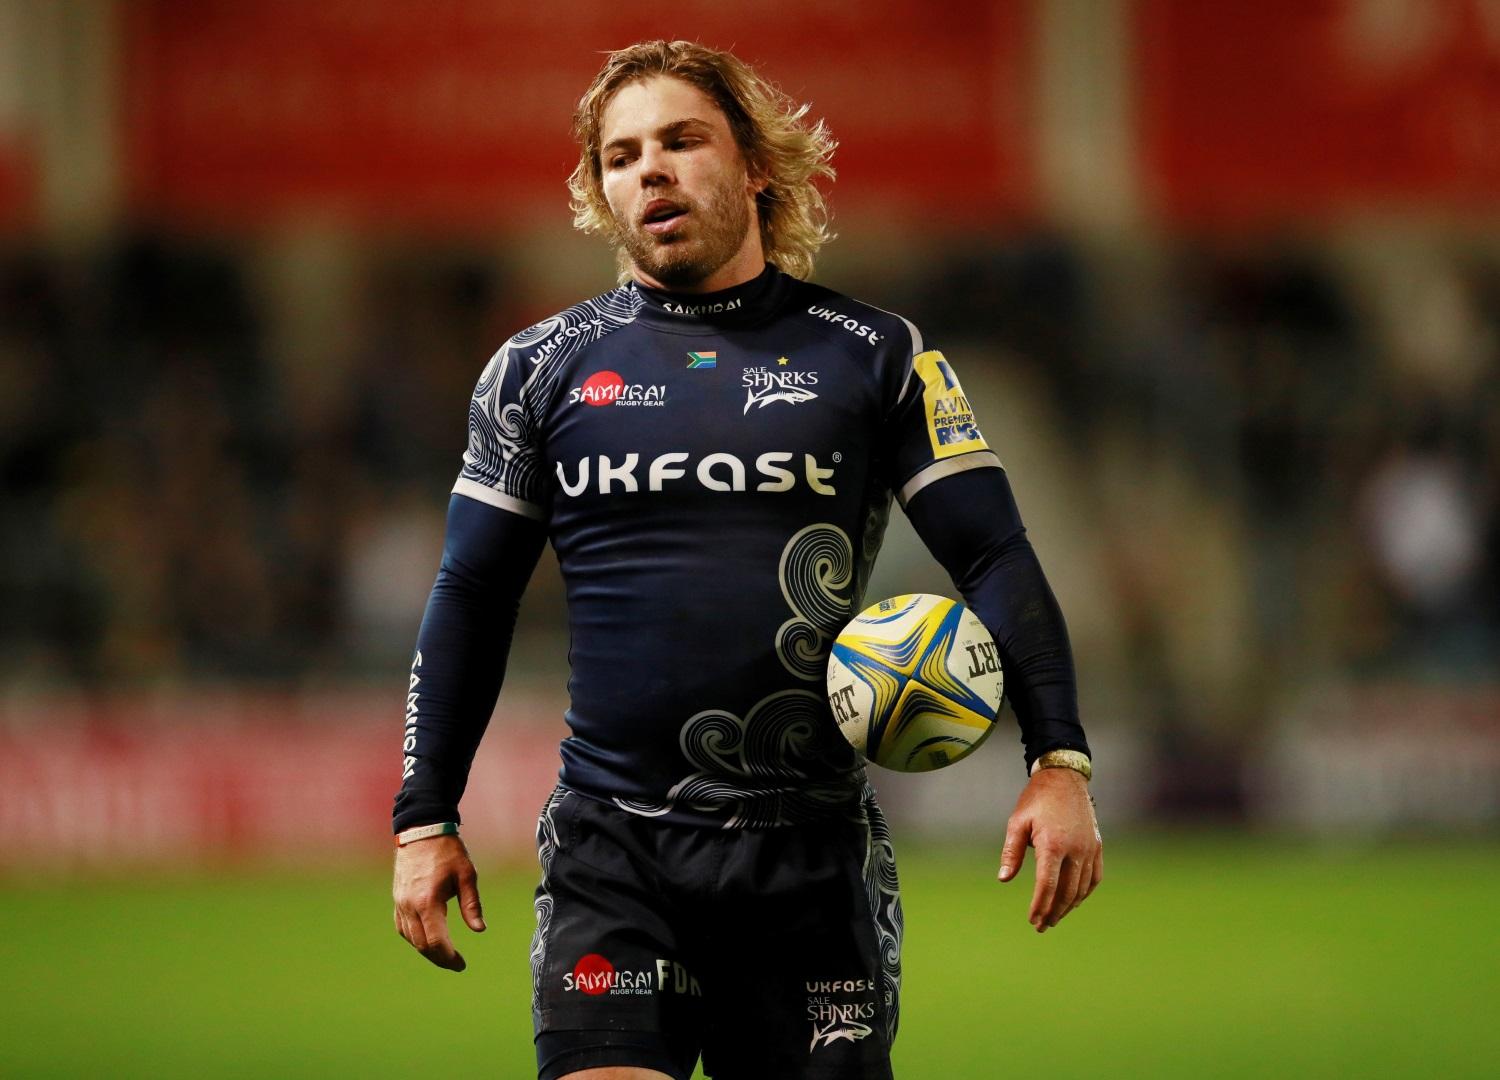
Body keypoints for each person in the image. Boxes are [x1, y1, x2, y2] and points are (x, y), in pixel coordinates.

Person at [391, 39, 1101, 1080]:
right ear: (600, 191)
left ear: (757, 165)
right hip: (614, 853)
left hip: (808, 861)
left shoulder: (877, 355)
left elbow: (993, 553)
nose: (652, 170)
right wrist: (424, 815)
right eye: (622, 156)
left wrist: (1058, 761)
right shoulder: (536, 370)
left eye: (682, 140)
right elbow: (471, 592)